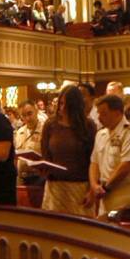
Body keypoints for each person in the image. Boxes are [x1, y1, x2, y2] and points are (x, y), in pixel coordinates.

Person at [38, 85, 97, 215]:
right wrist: (42, 167)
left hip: (80, 186)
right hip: (55, 187)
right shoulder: (50, 124)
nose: (62, 108)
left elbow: (94, 160)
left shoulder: (88, 126)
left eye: (66, 104)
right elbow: (46, 154)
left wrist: (92, 190)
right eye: (61, 103)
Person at [87, 94, 130, 217]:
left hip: (125, 193)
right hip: (104, 193)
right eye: (98, 113)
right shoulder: (101, 134)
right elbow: (94, 162)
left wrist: (105, 188)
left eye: (104, 113)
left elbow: (126, 166)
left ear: (118, 112)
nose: (100, 117)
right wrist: (94, 186)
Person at [13, 101, 44, 182]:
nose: (27, 118)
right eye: (23, 115)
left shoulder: (45, 130)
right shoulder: (20, 132)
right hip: (21, 178)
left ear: (36, 111)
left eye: (30, 113)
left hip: (39, 178)